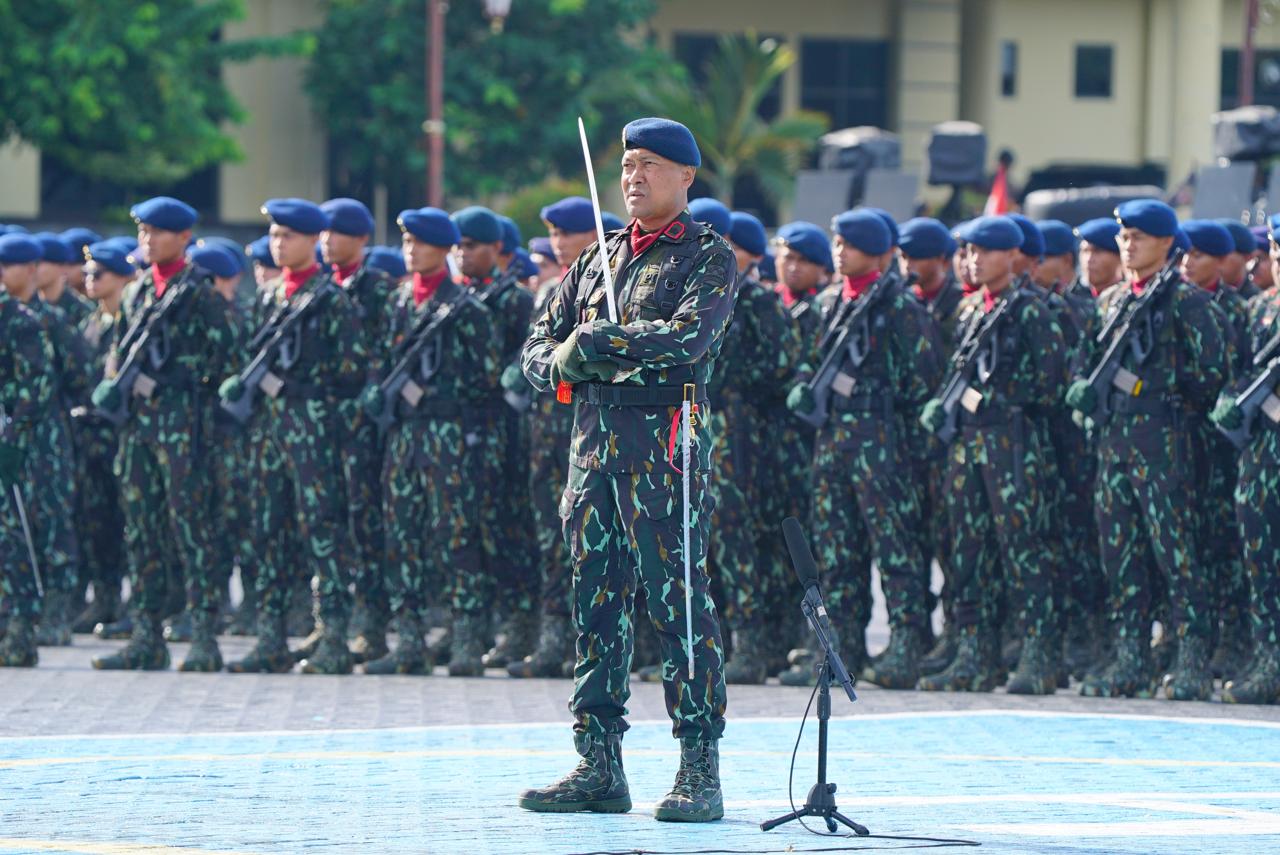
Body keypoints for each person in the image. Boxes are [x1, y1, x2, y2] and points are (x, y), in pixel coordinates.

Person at [518, 117, 736, 822]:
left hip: (663, 454)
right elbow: (538, 346)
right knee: (596, 606)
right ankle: (598, 761)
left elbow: (688, 339)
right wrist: (560, 362)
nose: (634, 178)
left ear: (685, 177)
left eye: (648, 165)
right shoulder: (595, 260)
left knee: (679, 606)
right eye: (627, 166)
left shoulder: (707, 256)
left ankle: (698, 761)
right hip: (593, 456)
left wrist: (599, 342)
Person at [1068, 200, 1228, 701]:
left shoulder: (1187, 303)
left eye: (1137, 236)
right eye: (1124, 236)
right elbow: (1086, 359)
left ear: (1165, 242)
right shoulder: (1112, 300)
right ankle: (1130, 659)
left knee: (1178, 556)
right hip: (1115, 444)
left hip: (1164, 445)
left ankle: (1192, 659)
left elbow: (1211, 377)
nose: (1127, 244)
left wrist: (1164, 397)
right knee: (1121, 556)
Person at [788, 209, 941, 689]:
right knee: (837, 550)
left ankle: (906, 647)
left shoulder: (899, 308)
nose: (839, 251)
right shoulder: (828, 303)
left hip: (882, 442)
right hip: (833, 440)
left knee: (896, 549)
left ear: (876, 251)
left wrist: (912, 453)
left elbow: (923, 383)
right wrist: (801, 385)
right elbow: (806, 361)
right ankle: (840, 647)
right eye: (836, 242)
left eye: (850, 244)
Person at [918, 216, 1067, 694]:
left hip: (1013, 446)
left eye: (985, 251)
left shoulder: (1030, 311)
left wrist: (997, 399)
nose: (974, 260)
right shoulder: (968, 312)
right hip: (969, 447)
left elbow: (1050, 385)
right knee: (969, 553)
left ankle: (1038, 654)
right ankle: (975, 655)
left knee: (1025, 554)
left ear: (1010, 256)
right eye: (970, 250)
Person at [89, 197, 236, 672]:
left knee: (192, 530)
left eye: (157, 232)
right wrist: (115, 381)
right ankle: (147, 635)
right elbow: (119, 351)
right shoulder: (136, 293)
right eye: (142, 231)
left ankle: (204, 634)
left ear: (184, 238)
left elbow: (224, 361)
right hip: (139, 427)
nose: (147, 239)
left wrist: (179, 383)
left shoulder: (200, 294)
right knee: (143, 530)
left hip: (182, 427)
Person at [221, 198, 365, 675]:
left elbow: (350, 376)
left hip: (313, 433)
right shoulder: (266, 297)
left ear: (311, 241)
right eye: (275, 236)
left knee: (323, 533)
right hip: (268, 434)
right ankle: (270, 636)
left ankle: (334, 636)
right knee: (268, 531)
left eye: (288, 236)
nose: (279, 244)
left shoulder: (331, 300)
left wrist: (297, 389)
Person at [360, 207, 499, 676]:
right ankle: (410, 641)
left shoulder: (466, 310)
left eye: (420, 243)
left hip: (448, 435)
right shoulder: (399, 303)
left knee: (456, 536)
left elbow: (486, 382)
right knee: (403, 536)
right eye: (406, 242)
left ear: (443, 249)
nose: (410, 250)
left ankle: (465, 640)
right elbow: (380, 358)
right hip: (404, 435)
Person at [508, 196, 600, 680]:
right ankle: (554, 639)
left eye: (568, 233)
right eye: (555, 234)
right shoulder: (551, 289)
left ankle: (590, 643)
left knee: (594, 547)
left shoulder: (607, 283)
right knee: (551, 540)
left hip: (587, 435)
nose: (560, 243)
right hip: (548, 437)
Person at [452, 205, 538, 672]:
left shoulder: (515, 301)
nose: (462, 255)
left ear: (496, 249)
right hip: (459, 429)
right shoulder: (456, 299)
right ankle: (473, 628)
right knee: (465, 533)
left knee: (505, 532)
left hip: (500, 430)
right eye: (458, 246)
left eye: (471, 245)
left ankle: (517, 626)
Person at [317, 197, 398, 665]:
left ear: (361, 239)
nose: (327, 240)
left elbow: (384, 354)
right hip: (323, 427)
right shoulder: (324, 287)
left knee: (365, 525)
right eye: (323, 232)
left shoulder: (378, 290)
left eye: (336, 231)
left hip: (363, 430)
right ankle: (330, 622)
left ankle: (371, 624)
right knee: (327, 525)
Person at [1179, 220, 1251, 681]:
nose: (1187, 263)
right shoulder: (1176, 305)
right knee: (1197, 540)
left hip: (1223, 443)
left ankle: (1233, 635)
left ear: (1224, 261)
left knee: (1226, 543)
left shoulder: (1239, 311)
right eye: (1184, 254)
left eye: (1198, 255)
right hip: (1183, 442)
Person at [897, 217, 964, 674]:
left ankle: (958, 633)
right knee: (911, 541)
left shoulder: (960, 307)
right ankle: (919, 634)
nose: (908, 265)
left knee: (952, 543)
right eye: (903, 256)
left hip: (952, 444)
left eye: (917, 256)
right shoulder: (902, 305)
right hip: (904, 444)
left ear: (943, 261)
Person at [0, 233, 64, 666]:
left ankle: (22, 628)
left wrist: (12, 434)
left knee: (14, 537)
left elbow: (38, 385)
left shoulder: (20, 320)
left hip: (14, 445)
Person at [70, 241, 135, 635]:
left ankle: (138, 603)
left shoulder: (133, 323)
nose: (90, 280)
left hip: (123, 437)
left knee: (131, 524)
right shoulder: (90, 325)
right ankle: (105, 598)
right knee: (97, 524)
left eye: (99, 274)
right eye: (88, 273)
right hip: (92, 441)